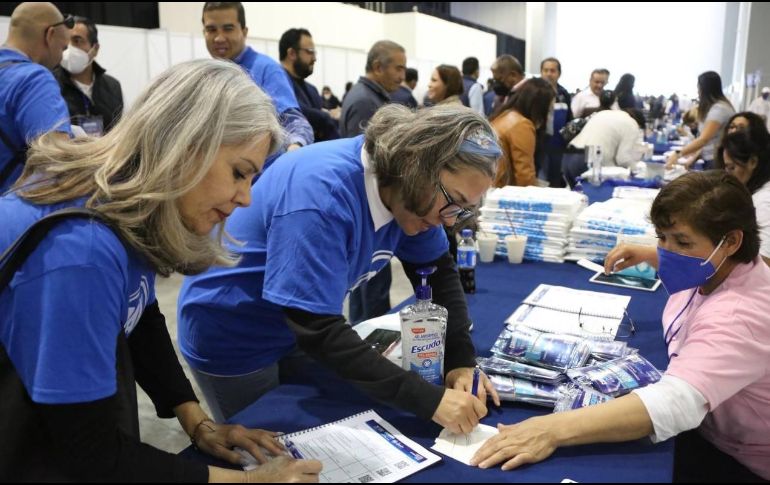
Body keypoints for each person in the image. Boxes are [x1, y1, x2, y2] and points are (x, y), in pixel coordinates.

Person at [0, 59, 321, 482]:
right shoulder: (83, 251)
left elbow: (139, 311)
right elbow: (89, 454)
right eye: (239, 173)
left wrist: (198, 422)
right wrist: (248, 481)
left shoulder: (124, 203)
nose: (246, 197)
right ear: (186, 145)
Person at [177, 104, 502, 431]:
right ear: (414, 165)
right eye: (452, 200)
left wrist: (460, 361)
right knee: (262, 443)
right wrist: (427, 400)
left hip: (291, 329)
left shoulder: (415, 195)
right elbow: (316, 328)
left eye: (462, 209)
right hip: (234, 334)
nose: (449, 220)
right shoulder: (323, 196)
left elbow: (437, 270)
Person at [471, 170, 770, 482]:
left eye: (682, 242)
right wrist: (651, 253)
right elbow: (693, 257)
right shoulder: (723, 266)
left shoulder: (740, 316)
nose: (668, 251)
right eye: (662, 237)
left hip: (735, 457)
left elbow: (677, 402)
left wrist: (551, 430)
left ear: (731, 241)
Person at [339, 39, 407, 324]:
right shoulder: (365, 102)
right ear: (378, 67)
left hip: (372, 217)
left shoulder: (373, 98)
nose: (402, 76)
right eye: (398, 68)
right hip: (368, 216)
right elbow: (366, 165)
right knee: (370, 296)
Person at [202, 2, 312, 151]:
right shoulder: (205, 75)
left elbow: (294, 124)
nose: (219, 38)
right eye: (211, 30)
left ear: (244, 32)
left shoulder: (267, 70)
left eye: (228, 29)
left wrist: (294, 148)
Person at [0, 2, 72, 193]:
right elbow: (56, 163)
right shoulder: (34, 79)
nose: (61, 58)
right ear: (49, 35)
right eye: (63, 48)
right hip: (13, 204)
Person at [54, 15, 124, 136]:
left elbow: (119, 131)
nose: (69, 48)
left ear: (95, 49)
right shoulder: (51, 84)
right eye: (66, 41)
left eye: (77, 41)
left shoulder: (113, 86)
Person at [715, 116, 770, 265]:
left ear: (753, 162)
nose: (728, 174)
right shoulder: (755, 191)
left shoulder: (763, 202)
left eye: (732, 168)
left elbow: (765, 262)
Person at [562, 99, 646, 187]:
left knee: (577, 194)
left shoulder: (605, 113)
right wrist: (636, 170)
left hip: (569, 156)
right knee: (593, 194)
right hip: (588, 159)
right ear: (639, 124)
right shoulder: (632, 124)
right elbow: (622, 158)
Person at [490, 77, 555, 187]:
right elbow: (524, 175)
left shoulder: (504, 115)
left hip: (491, 185)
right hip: (503, 190)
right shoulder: (522, 125)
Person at [279, 28, 339, 142]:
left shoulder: (312, 90)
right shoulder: (276, 86)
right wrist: (327, 116)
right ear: (292, 53)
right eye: (310, 51)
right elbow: (302, 113)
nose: (314, 58)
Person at [666, 71, 734, 170]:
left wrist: (678, 154)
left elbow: (704, 139)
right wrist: (693, 159)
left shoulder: (720, 109)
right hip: (711, 160)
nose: (698, 92)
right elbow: (708, 141)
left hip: (716, 161)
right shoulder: (715, 108)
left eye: (698, 87)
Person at [538, 57, 572, 187]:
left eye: (552, 71)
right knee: (540, 180)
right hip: (539, 146)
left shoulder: (564, 94)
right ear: (541, 72)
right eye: (545, 70)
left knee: (555, 181)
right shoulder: (533, 92)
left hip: (558, 146)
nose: (549, 74)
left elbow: (569, 119)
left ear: (559, 73)